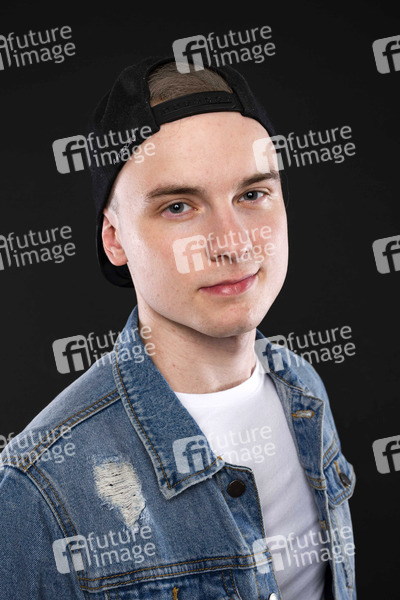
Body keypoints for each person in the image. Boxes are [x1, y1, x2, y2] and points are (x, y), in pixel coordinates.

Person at [0, 55, 356, 600]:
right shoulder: (38, 488)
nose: (232, 242)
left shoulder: (304, 390)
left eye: (252, 195)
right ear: (114, 239)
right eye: (178, 207)